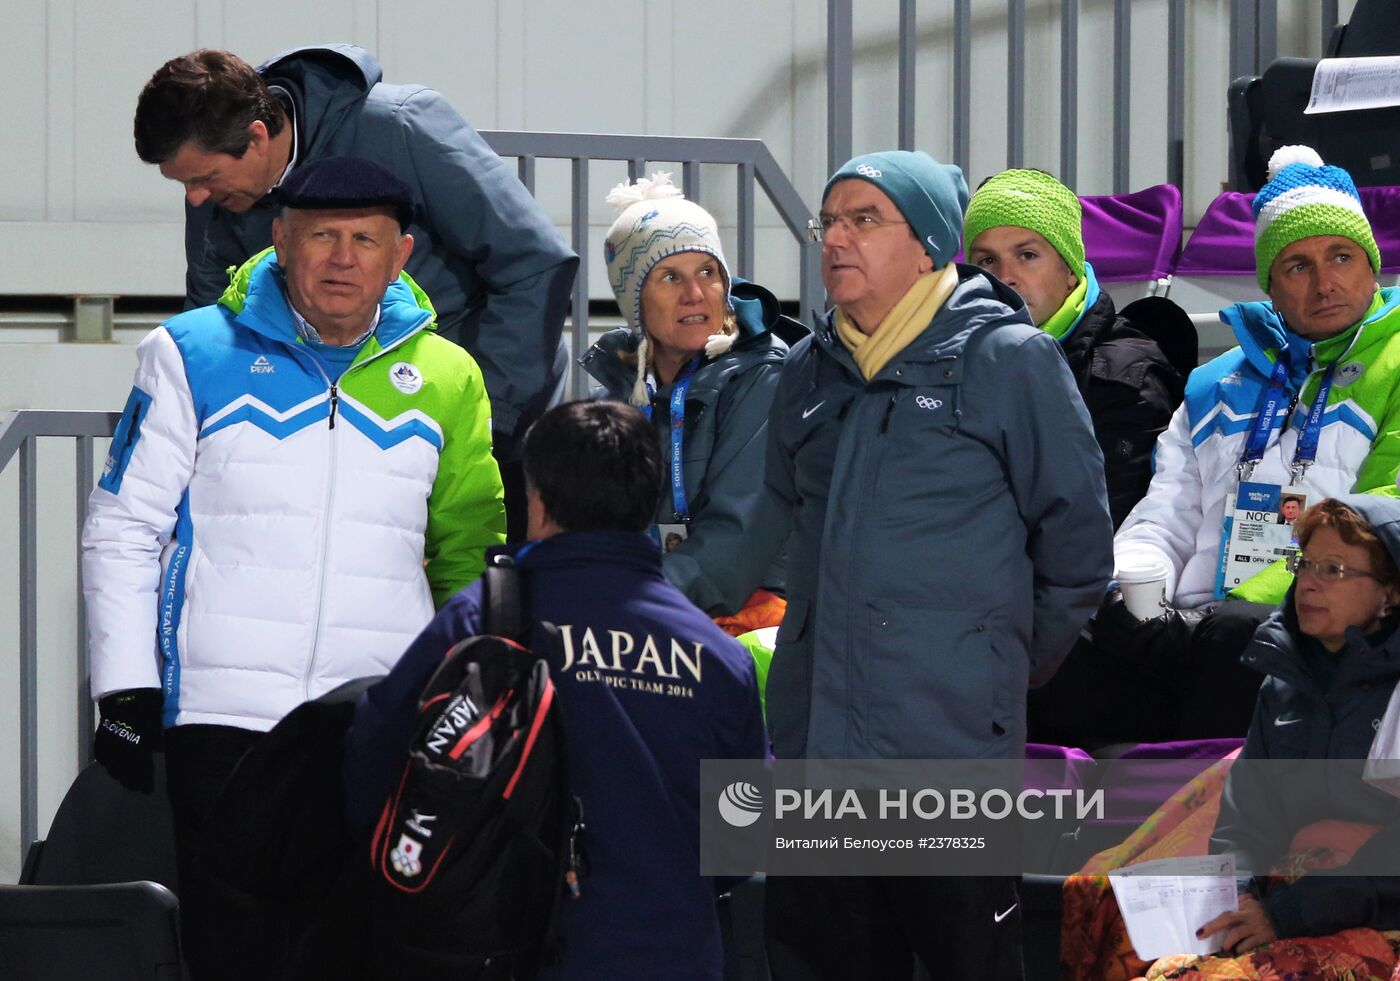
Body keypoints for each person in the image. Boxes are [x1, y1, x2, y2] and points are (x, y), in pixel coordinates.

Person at [81, 156, 506, 980]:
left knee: (361, 958)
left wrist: (473, 705)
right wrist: (125, 686)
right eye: (321, 237)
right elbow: (123, 525)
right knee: (234, 957)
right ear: (280, 240)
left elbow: (466, 553)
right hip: (224, 720)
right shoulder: (189, 351)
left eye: (364, 239)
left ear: (401, 254)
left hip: (377, 724)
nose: (342, 257)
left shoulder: (450, 377)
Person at [758, 150, 1115, 979]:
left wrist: (996, 662)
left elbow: (1076, 544)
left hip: (947, 745)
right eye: (829, 221)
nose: (836, 238)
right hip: (819, 743)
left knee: (967, 959)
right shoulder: (809, 370)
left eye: (863, 219)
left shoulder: (1008, 358)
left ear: (927, 245)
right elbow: (780, 525)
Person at [342, 399, 767, 981]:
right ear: (649, 501)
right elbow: (748, 841)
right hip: (674, 953)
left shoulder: (485, 621)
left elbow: (372, 767)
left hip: (503, 951)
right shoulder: (719, 658)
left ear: (536, 497)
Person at [1030, 145, 1400, 748]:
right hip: (1197, 625)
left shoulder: (1397, 361)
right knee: (1067, 645)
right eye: (1298, 266)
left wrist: (1222, 615)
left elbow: (1382, 522)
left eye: (1342, 257)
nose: (1325, 281)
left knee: (1238, 639)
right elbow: (1166, 510)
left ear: (1372, 266)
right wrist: (1134, 588)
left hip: (1329, 617)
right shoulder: (1216, 384)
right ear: (1272, 285)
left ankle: (1197, 821)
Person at [132, 45, 578, 536]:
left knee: (482, 603)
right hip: (318, 457)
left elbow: (533, 262)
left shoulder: (401, 126)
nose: (195, 198)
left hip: (482, 443)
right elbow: (214, 329)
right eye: (184, 184)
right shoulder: (218, 194)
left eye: (204, 178)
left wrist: (482, 422)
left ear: (257, 137)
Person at [1157, 496, 1400, 973]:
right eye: (1304, 563)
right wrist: (1239, 896)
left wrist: (1288, 914)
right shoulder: (1283, 685)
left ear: (1389, 594)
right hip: (1286, 908)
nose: (1307, 582)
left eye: (1333, 570)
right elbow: (1243, 822)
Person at [580, 172, 799, 618]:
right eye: (669, 277)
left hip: (746, 625)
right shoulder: (614, 397)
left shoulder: (765, 378)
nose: (695, 294)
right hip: (648, 616)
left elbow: (737, 541)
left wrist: (619, 604)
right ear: (634, 299)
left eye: (707, 271)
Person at [963, 168, 1192, 527]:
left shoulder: (1125, 380)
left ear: (1070, 269)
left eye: (1027, 255)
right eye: (987, 261)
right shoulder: (948, 364)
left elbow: (1105, 531)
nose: (1004, 276)